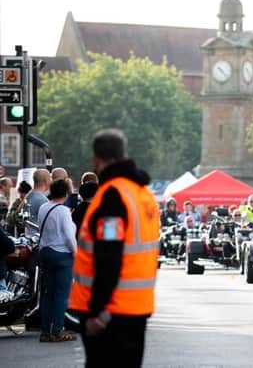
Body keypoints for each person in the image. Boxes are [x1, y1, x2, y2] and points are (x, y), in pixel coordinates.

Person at [69, 129, 159, 367]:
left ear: (96, 158)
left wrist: (99, 311)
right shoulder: (143, 194)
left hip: (111, 312)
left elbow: (108, 256)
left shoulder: (112, 196)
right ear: (123, 153)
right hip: (137, 307)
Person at [38, 178, 77, 343]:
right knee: (61, 294)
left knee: (48, 293)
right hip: (62, 255)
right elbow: (69, 236)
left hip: (45, 252)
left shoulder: (43, 207)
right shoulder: (63, 211)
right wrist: (76, 253)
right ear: (66, 193)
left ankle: (45, 331)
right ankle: (57, 330)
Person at [26, 169, 52, 237]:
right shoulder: (42, 200)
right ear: (46, 180)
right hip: (37, 238)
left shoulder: (28, 195)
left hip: (28, 236)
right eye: (50, 178)